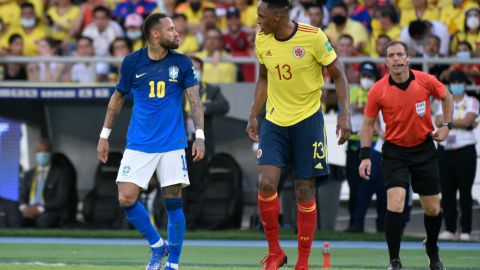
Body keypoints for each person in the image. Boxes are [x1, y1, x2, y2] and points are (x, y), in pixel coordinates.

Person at [246, 1, 351, 269]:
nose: (258, 20)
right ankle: (275, 252)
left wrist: (344, 114)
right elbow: (264, 77)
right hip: (274, 121)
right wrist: (253, 114)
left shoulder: (313, 37)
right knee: (266, 183)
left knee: (305, 190)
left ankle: (302, 262)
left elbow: (339, 75)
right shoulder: (262, 39)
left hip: (307, 121)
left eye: (261, 16)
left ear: (278, 16)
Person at [96, 13, 205, 270]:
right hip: (139, 143)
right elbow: (117, 100)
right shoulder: (132, 62)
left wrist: (199, 137)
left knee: (173, 200)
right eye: (171, 29)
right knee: (126, 198)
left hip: (172, 143)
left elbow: (195, 101)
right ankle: (158, 246)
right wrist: (104, 136)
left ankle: (173, 264)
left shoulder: (182, 63)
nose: (177, 33)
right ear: (155, 34)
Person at [358, 41, 453, 270]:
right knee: (397, 201)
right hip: (395, 152)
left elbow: (447, 97)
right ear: (386, 62)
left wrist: (447, 125)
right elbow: (368, 124)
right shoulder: (377, 90)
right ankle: (394, 261)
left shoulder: (425, 80)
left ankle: (431, 247)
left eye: (400, 54)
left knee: (432, 209)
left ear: (408, 58)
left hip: (424, 148)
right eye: (391, 56)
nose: (397, 59)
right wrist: (365, 155)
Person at [183, 56, 229, 229]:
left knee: (197, 182)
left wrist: (204, 107)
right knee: (178, 183)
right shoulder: (178, 89)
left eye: (197, 68)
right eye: (190, 68)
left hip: (200, 143)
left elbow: (224, 106)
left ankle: (192, 222)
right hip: (180, 142)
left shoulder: (210, 89)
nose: (194, 72)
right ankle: (177, 221)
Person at [435, 70, 478, 241]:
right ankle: (450, 228)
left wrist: (448, 122)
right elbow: (437, 121)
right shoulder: (443, 100)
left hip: (465, 149)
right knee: (447, 191)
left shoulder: (472, 101)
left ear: (465, 85)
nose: (456, 85)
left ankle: (466, 230)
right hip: (445, 150)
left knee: (465, 191)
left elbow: (469, 120)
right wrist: (460, 124)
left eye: (460, 82)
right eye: (453, 82)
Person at [19, 139, 72, 228]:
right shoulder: (29, 174)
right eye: (39, 151)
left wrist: (39, 209)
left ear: (51, 153)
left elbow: (61, 200)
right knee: (15, 219)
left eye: (45, 151)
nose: (42, 154)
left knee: (43, 221)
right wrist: (24, 208)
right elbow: (22, 195)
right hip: (29, 209)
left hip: (50, 210)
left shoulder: (61, 174)